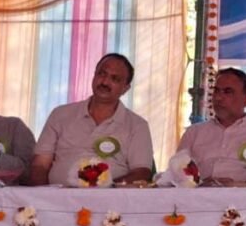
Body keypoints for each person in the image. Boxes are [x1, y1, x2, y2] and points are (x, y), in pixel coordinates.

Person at [29, 53, 153, 186]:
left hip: (111, 196)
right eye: (101, 74)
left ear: (125, 88)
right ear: (94, 75)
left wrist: (105, 189)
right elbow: (40, 165)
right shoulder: (60, 115)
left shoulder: (137, 125)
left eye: (115, 79)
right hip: (58, 196)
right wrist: (41, 193)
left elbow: (141, 172)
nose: (105, 82)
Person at [177, 67, 246, 186]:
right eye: (216, 91)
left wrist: (238, 185)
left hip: (245, 197)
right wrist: (201, 185)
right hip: (198, 195)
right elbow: (176, 176)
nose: (218, 98)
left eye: (228, 92)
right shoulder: (194, 133)